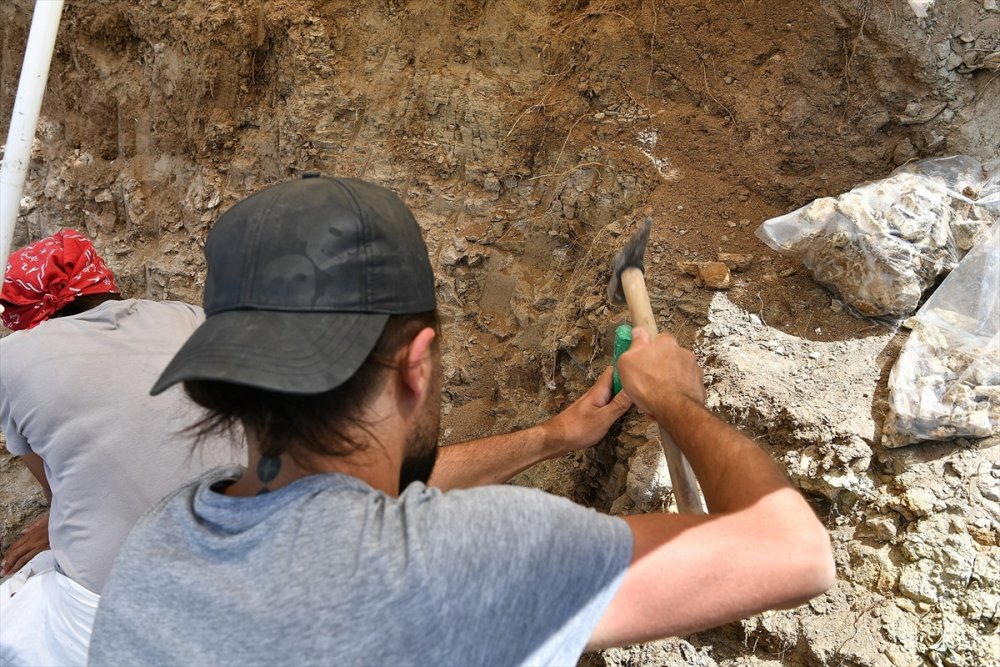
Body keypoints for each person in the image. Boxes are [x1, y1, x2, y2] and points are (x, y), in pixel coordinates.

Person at [87, 176, 835, 666]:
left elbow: (345, 501)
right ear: (418, 363)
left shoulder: (160, 544)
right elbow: (793, 552)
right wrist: (675, 397)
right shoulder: (453, 563)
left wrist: (553, 436)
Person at [0, 229, 245, 666]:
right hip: (238, 575)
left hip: (107, 615)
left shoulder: (12, 360)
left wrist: (58, 525)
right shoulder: (190, 316)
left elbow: (59, 489)